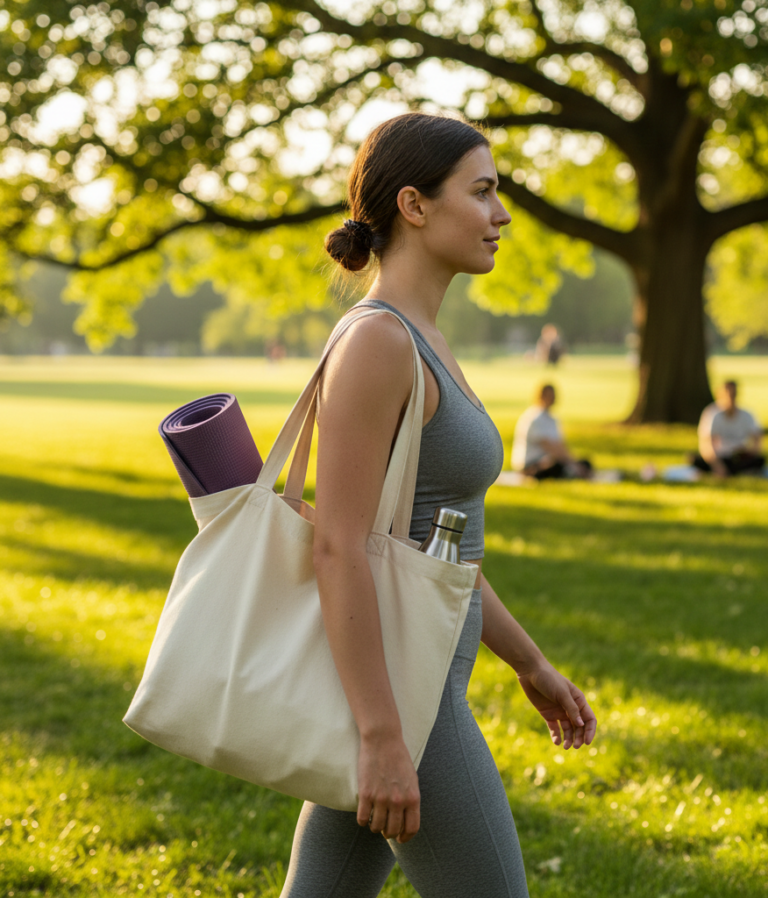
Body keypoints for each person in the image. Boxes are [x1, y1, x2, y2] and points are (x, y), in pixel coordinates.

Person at [280, 113, 597, 898]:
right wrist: (383, 735)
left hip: (413, 688)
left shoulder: (421, 336)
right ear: (415, 205)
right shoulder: (380, 343)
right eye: (482, 191)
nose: (502, 214)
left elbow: (438, 552)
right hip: (406, 701)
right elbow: (340, 545)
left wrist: (529, 663)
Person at [511, 384, 592, 480]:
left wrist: (574, 462)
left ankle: (572, 471)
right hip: (531, 463)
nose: (553, 398)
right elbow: (548, 446)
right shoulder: (534, 418)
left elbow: (559, 445)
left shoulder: (552, 419)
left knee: (585, 463)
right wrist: (571, 463)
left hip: (548, 458)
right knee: (555, 465)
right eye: (549, 395)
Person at [692, 380, 764, 477]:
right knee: (694, 459)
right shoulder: (711, 413)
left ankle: (735, 470)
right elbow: (705, 443)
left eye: (733, 394)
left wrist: (750, 452)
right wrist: (717, 464)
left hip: (738, 457)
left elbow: (757, 438)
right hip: (719, 457)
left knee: (759, 460)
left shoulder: (747, 415)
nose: (730, 398)